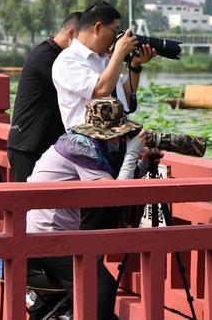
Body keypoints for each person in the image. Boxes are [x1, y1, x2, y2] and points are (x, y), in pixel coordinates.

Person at [26, 97, 147, 320]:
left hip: (52, 234)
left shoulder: (80, 142)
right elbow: (114, 195)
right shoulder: (80, 147)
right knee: (101, 286)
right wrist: (131, 153)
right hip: (47, 236)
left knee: (70, 292)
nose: (118, 140)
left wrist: (143, 163)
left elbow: (116, 183)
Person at [52, 1, 156, 130]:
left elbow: (124, 97)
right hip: (86, 143)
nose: (116, 37)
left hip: (115, 139)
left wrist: (135, 66)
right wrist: (120, 51)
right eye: (115, 30)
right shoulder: (68, 60)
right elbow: (101, 90)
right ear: (98, 28)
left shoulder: (103, 58)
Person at [7, 12, 82, 182]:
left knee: (48, 205)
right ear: (71, 34)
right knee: (30, 204)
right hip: (27, 145)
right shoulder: (45, 56)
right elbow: (80, 89)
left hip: (44, 144)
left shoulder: (59, 57)